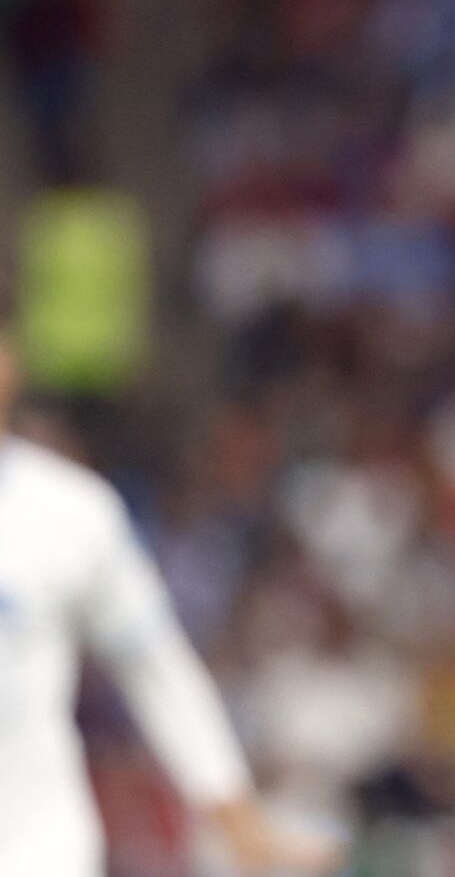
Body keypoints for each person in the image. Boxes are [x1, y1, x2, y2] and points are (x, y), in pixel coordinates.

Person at [0, 333, 342, 877]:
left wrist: (232, 811)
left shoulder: (70, 513)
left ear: (9, 363)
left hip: (32, 845)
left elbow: (155, 666)